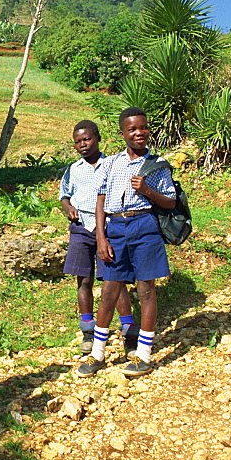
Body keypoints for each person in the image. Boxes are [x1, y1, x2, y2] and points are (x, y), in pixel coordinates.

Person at [78, 107, 176, 379]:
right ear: (122, 134)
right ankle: (98, 353)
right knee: (110, 289)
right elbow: (100, 201)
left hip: (145, 226)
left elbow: (170, 202)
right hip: (116, 227)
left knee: (146, 290)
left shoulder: (158, 164)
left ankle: (143, 355)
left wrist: (146, 190)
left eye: (143, 128)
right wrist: (101, 237)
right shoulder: (111, 164)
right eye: (132, 129)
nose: (139, 133)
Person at [60, 120, 138, 356]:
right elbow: (65, 195)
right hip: (82, 227)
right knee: (83, 280)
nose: (82, 145)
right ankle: (87, 331)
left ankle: (129, 331)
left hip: (110, 227)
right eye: (77, 142)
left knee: (116, 280)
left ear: (98, 138)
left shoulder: (113, 165)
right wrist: (68, 208)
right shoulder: (74, 169)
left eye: (87, 139)